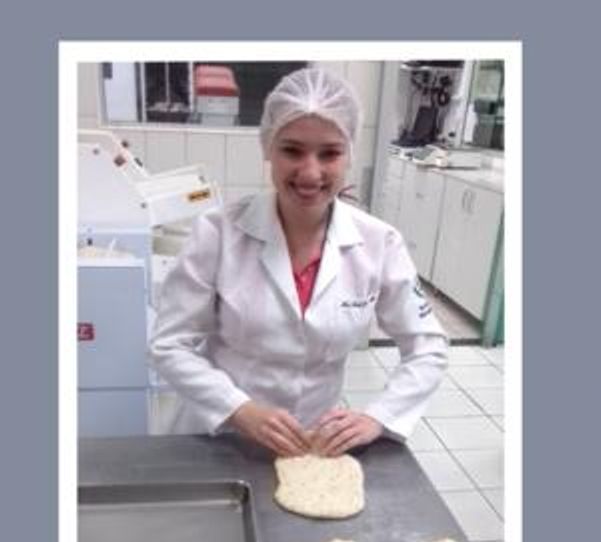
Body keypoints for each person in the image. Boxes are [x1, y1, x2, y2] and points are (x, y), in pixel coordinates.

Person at [150, 68, 448, 457]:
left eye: (330, 153)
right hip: (221, 437)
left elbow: (428, 348)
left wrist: (379, 416)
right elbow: (169, 345)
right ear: (268, 149)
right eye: (292, 150)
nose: (310, 172)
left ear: (349, 154)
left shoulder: (380, 244)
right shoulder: (218, 234)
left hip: (314, 443)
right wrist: (239, 408)